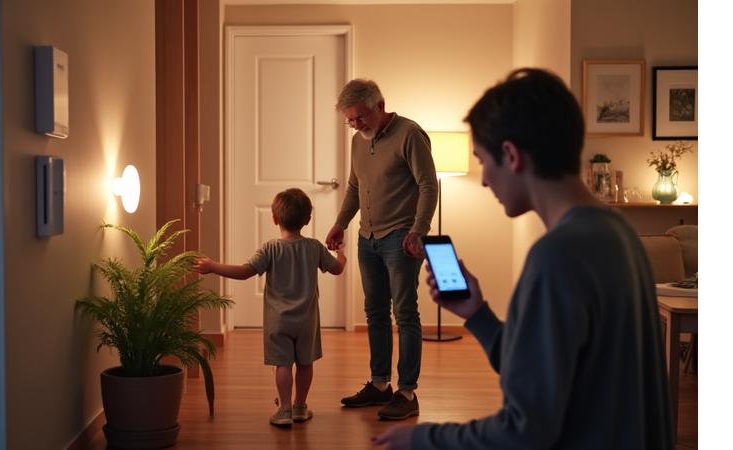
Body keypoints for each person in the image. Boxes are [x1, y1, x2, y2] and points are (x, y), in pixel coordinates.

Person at [374, 68, 674, 449]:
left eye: (483, 161)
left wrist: (424, 438)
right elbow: (543, 376)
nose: (483, 180)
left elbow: (524, 431)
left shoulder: (557, 257)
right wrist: (478, 316)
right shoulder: (620, 233)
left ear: (512, 155)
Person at [326, 79, 438, 420]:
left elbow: (428, 185)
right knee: (375, 312)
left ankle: (407, 392)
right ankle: (379, 385)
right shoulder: (358, 142)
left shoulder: (409, 135)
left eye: (360, 117)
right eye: (350, 120)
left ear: (380, 105)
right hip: (367, 237)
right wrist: (341, 222)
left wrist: (419, 231)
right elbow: (354, 187)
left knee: (405, 313)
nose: (356, 125)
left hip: (401, 236)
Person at [194, 188, 346, 427]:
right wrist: (342, 256)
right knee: (305, 363)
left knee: (283, 364)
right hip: (307, 321)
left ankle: (284, 409)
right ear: (307, 220)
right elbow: (337, 269)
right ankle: (300, 406)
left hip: (279, 321)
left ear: (275, 219)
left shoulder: (270, 248)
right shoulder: (315, 247)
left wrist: (214, 266)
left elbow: (245, 272)